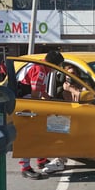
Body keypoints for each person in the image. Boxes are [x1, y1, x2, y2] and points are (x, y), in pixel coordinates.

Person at [18, 50, 65, 180]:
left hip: (30, 104)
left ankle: (41, 160)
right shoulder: (40, 70)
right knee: (29, 137)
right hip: (28, 107)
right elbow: (34, 94)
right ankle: (25, 168)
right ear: (52, 64)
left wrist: (51, 99)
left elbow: (41, 91)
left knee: (40, 134)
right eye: (57, 66)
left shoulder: (42, 68)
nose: (57, 69)